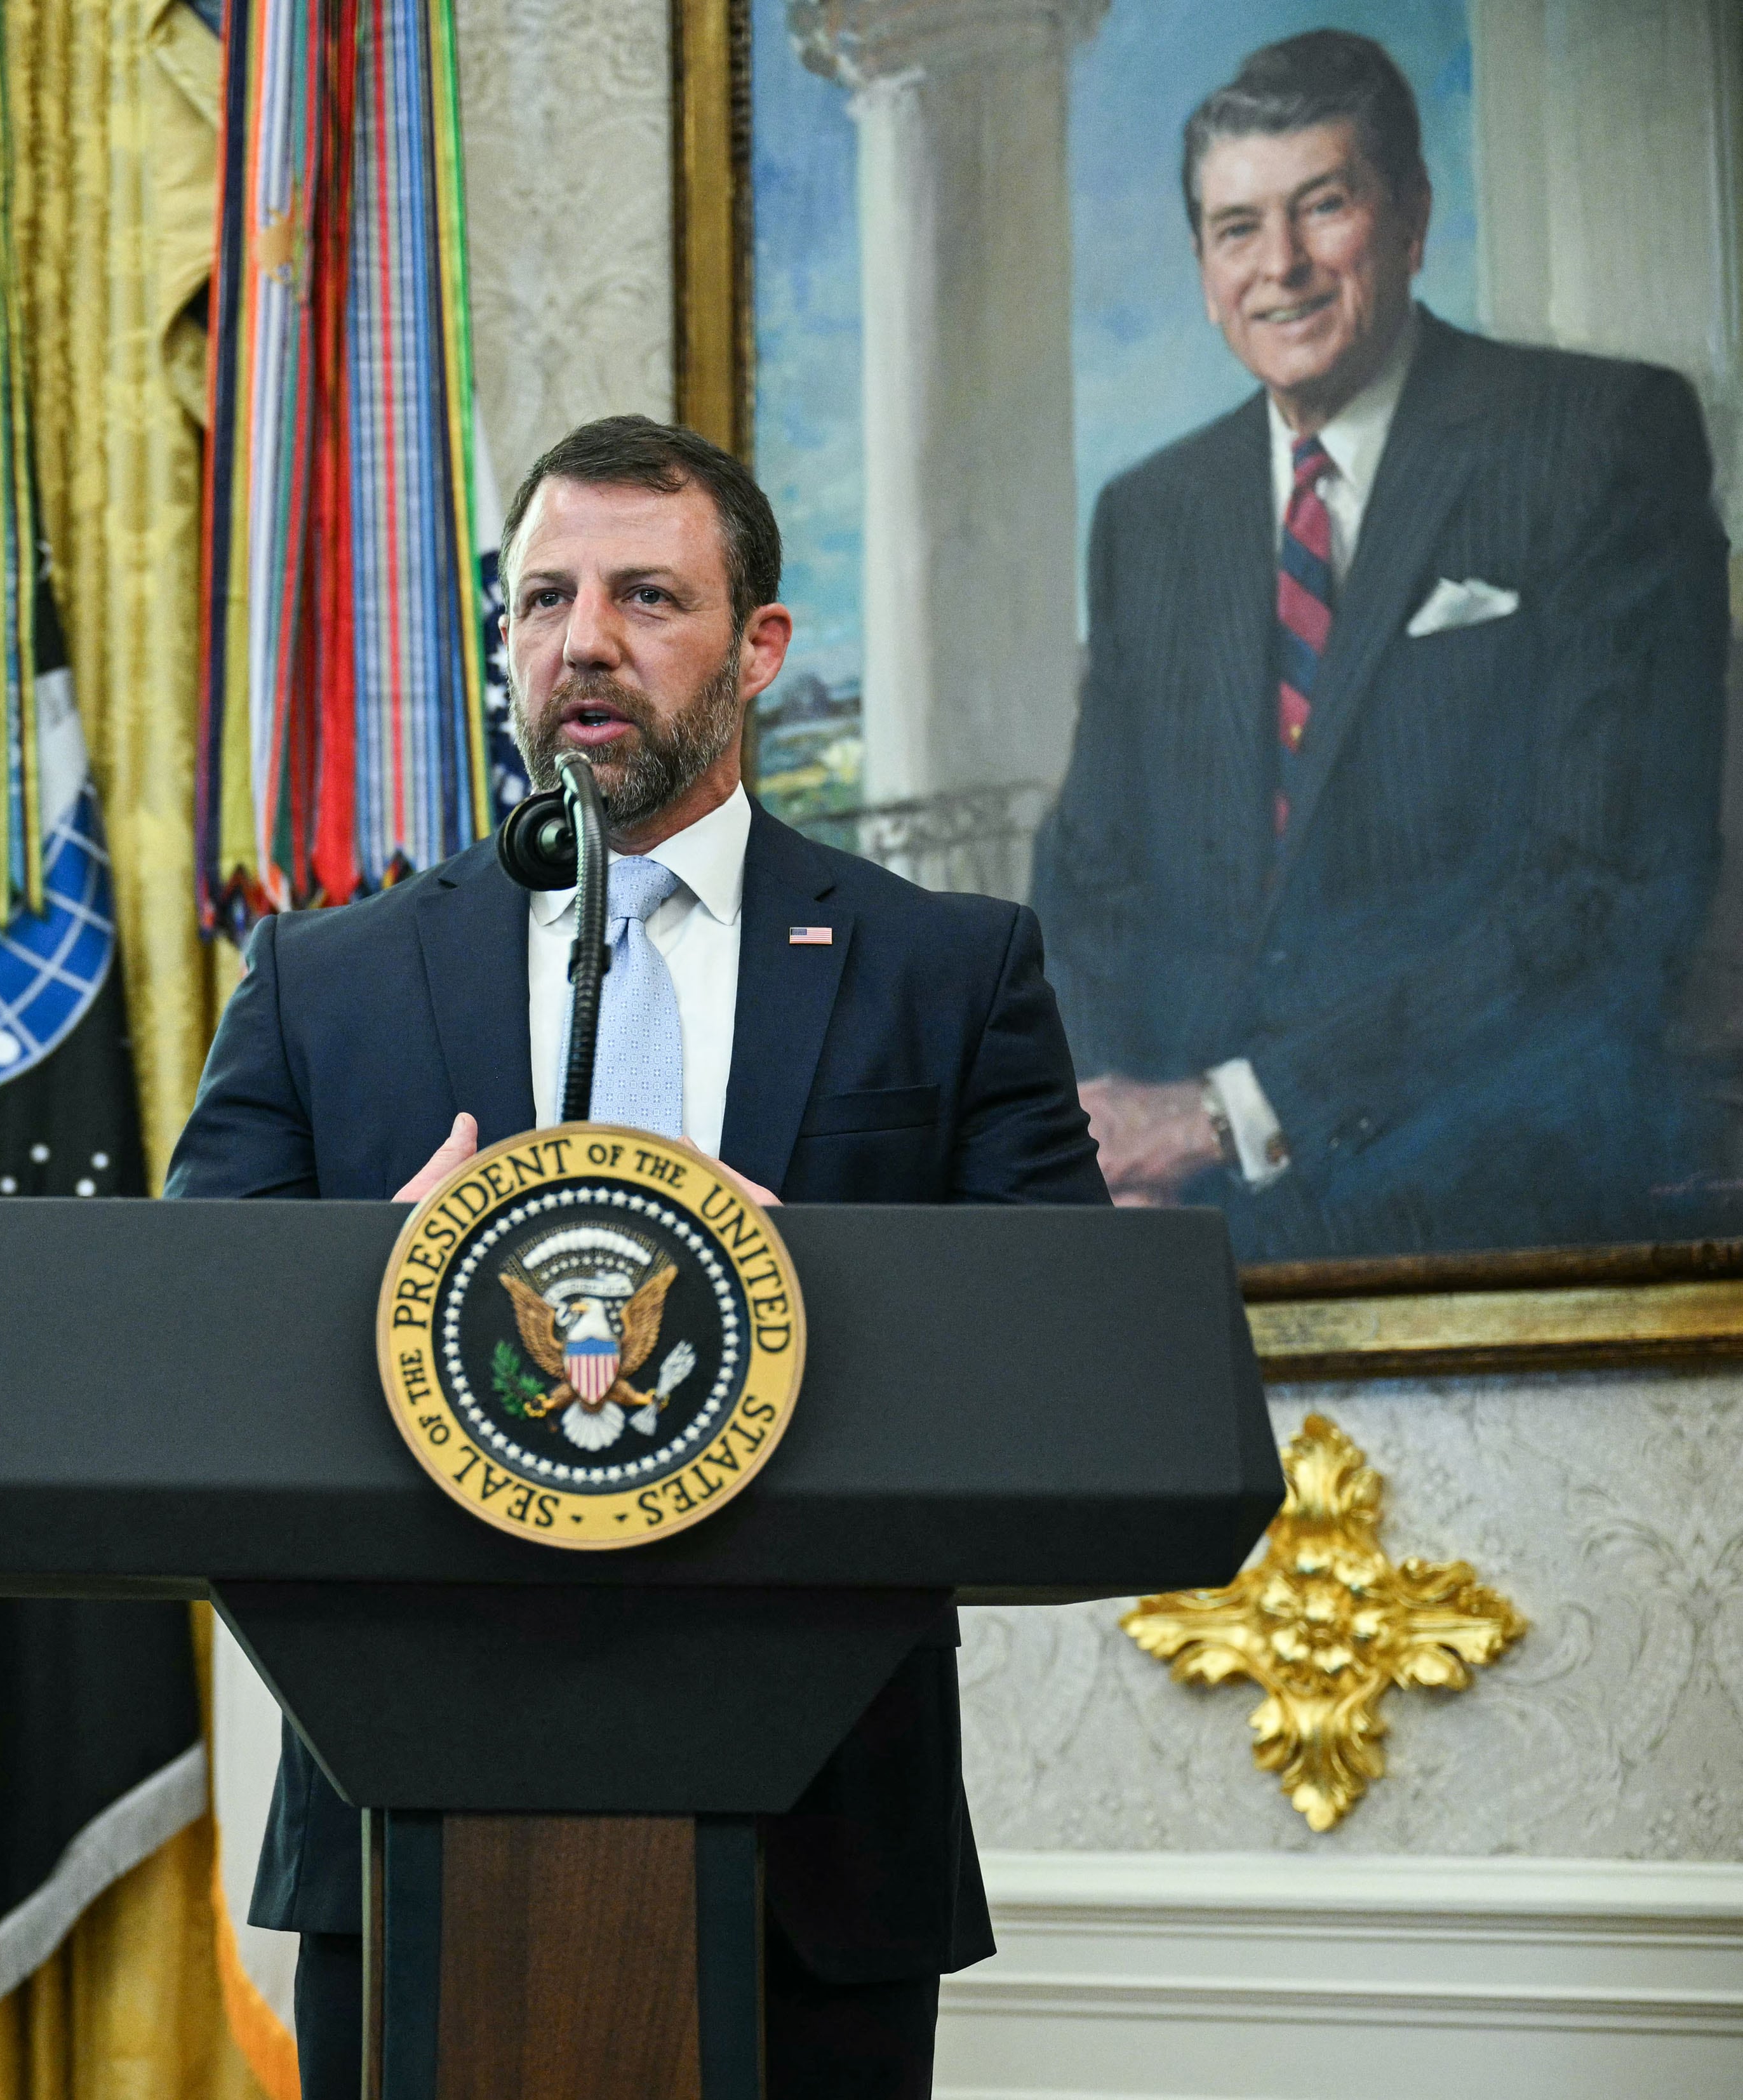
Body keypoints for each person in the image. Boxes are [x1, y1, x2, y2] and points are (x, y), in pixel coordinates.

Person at [167, 415, 1107, 2099]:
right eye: (542, 598)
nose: (582, 639)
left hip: (823, 1856)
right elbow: (165, 1353)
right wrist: (364, 1287)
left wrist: (812, 1285)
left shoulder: (943, 971)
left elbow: (1063, 1361)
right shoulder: (330, 978)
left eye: (645, 597)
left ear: (758, 644)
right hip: (406, 1838)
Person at [1032, 29, 1730, 1259]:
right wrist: (1108, 1134)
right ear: (1201, 264)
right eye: (1236, 227)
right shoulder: (1149, 515)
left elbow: (1599, 892)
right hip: (1183, 1213)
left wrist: (1228, 1112)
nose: (1281, 266)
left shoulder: (1593, 440)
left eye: (1323, 206)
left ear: (1407, 216)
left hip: (1501, 1191)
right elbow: (1089, 875)